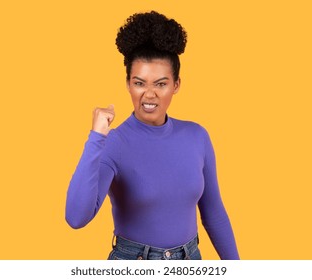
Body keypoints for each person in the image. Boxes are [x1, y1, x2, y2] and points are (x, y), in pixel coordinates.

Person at [65, 11, 240, 260]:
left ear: (176, 84)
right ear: (128, 84)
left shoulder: (197, 137)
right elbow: (76, 217)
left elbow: (213, 213)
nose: (149, 94)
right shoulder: (113, 143)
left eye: (160, 84)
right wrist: (96, 138)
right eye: (139, 83)